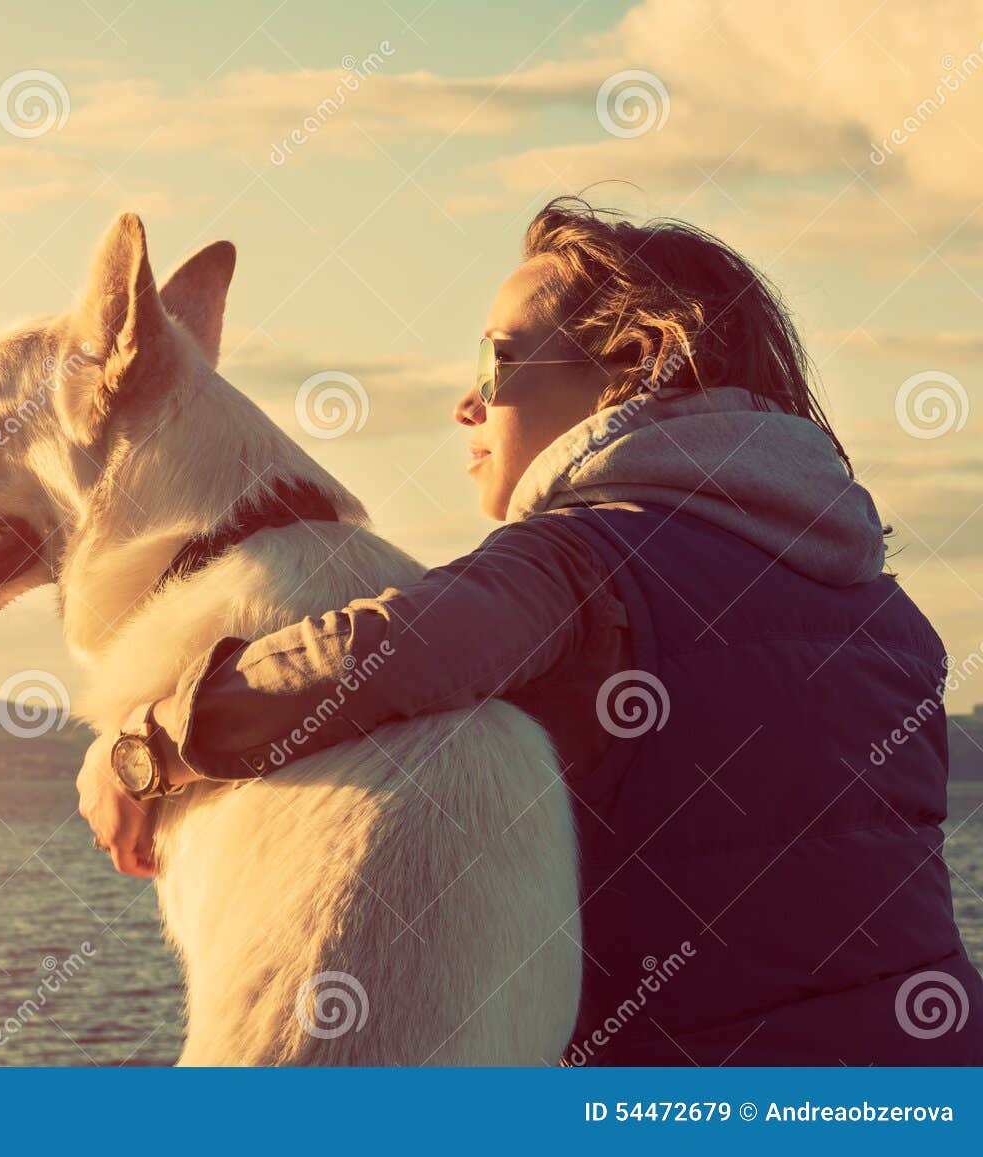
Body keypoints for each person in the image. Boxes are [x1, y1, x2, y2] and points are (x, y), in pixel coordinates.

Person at [75, 196, 983, 1065]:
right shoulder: (887, 612)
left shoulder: (574, 566)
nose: (465, 407)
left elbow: (369, 655)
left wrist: (144, 746)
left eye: (495, 365)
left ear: (634, 360)